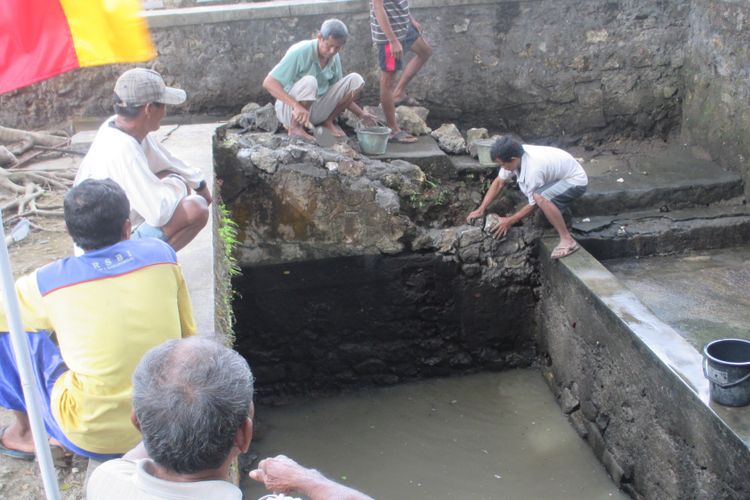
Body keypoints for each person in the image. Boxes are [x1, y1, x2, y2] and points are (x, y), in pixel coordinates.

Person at [0, 179, 196, 461]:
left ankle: (25, 433)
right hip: (168, 421)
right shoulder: (161, 255)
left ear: (69, 231)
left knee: (10, 335)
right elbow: (188, 333)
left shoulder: (45, 283)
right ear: (127, 227)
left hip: (92, 436)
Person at [87, 337, 373, 500]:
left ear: (136, 422)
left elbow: (146, 440)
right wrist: (306, 480)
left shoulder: (106, 482)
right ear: (244, 435)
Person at [75, 68, 212, 252]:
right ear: (148, 109)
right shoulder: (123, 150)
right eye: (162, 105)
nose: (164, 112)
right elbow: (158, 213)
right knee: (197, 209)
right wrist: (180, 184)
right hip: (108, 248)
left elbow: (165, 160)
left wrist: (199, 184)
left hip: (112, 228)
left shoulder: (118, 125)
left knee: (170, 177)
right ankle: (144, 265)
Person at [467, 136, 588, 259]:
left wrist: (510, 220)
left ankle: (567, 240)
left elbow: (534, 203)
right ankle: (559, 212)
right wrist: (481, 208)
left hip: (574, 181)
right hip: (557, 178)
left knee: (540, 197)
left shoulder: (533, 169)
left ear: (513, 159)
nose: (503, 168)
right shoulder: (516, 155)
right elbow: (499, 182)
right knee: (539, 198)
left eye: (503, 165)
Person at [263, 19, 376, 143]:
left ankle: (327, 121)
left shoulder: (334, 57)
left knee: (356, 80)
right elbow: (269, 83)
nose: (332, 51)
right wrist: (295, 105)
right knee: (310, 81)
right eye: (329, 46)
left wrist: (361, 114)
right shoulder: (300, 51)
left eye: (337, 48)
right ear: (320, 37)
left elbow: (339, 94)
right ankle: (295, 128)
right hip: (290, 111)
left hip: (314, 111)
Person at [370, 0, 432, 144]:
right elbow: (378, 7)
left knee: (425, 51)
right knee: (387, 82)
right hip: (389, 36)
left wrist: (410, 19)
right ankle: (393, 129)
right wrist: (392, 41)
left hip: (404, 28)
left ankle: (399, 92)